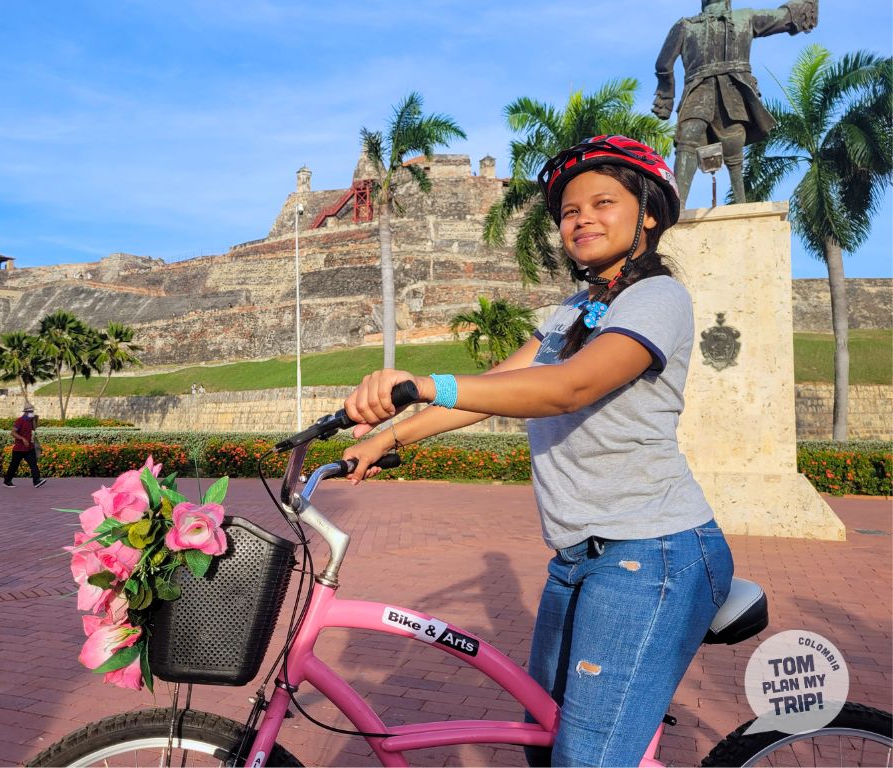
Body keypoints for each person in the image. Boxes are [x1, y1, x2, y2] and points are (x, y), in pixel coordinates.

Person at [340, 135, 734, 767]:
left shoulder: (658, 299)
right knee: (543, 744)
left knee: (585, 759)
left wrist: (422, 383)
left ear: (649, 215)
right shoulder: (573, 311)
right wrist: (382, 440)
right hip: (579, 557)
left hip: (651, 554)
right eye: (570, 211)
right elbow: (494, 389)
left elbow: (568, 387)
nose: (582, 220)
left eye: (603, 203)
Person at [652, 0, 818, 206]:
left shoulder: (743, 18)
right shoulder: (687, 25)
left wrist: (666, 95)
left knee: (727, 141)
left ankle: (737, 204)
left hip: (730, 91)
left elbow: (781, 17)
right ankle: (677, 206)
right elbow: (663, 64)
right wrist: (666, 97)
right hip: (701, 91)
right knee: (692, 139)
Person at [2, 403, 46, 488]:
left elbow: (34, 428)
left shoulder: (30, 421)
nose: (32, 413)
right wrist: (23, 439)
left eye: (32, 411)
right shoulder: (20, 421)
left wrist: (35, 419)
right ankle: (7, 481)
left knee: (33, 464)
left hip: (29, 448)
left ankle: (36, 481)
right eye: (30, 411)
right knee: (14, 466)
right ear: (26, 412)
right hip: (19, 449)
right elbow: (13, 432)